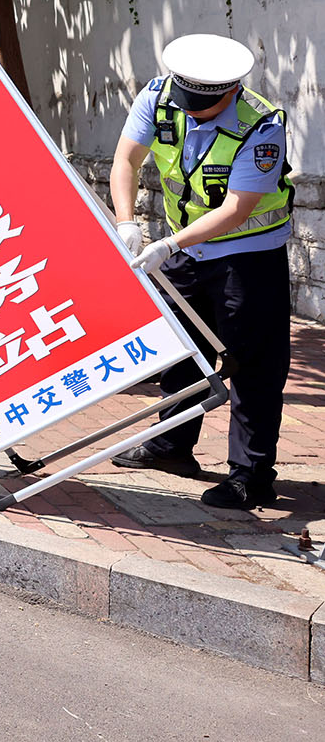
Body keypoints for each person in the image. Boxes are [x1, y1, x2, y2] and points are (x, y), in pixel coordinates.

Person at [110, 33, 294, 509]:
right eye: (185, 99)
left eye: (203, 106)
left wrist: (169, 244)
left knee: (253, 366)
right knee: (180, 349)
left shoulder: (261, 126)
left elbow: (237, 209)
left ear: (230, 91)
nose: (191, 112)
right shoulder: (160, 96)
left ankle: (251, 476)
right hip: (187, 253)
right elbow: (127, 159)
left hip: (249, 258)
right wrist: (126, 221)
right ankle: (172, 446)